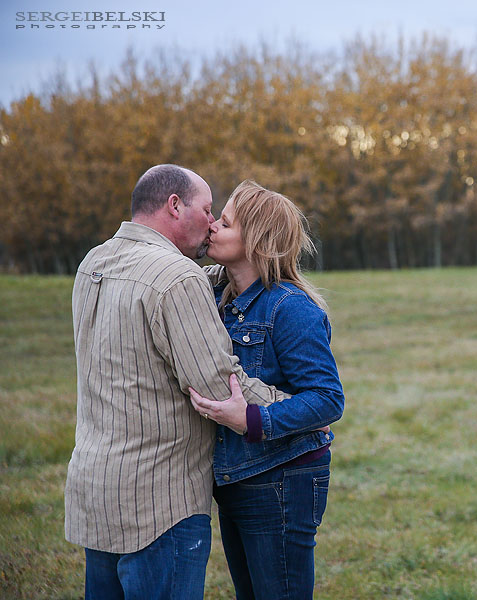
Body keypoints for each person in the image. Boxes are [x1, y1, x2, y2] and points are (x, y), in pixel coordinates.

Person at [65, 164, 313, 600]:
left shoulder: (94, 263)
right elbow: (219, 386)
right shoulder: (176, 277)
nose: (211, 222)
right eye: (207, 209)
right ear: (175, 206)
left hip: (95, 491)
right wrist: (294, 408)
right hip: (159, 503)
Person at [187, 180, 344, 599]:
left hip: (282, 478)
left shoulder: (288, 307)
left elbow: (328, 398)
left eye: (225, 222)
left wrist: (252, 418)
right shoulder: (221, 298)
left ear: (256, 239)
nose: (213, 228)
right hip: (237, 478)